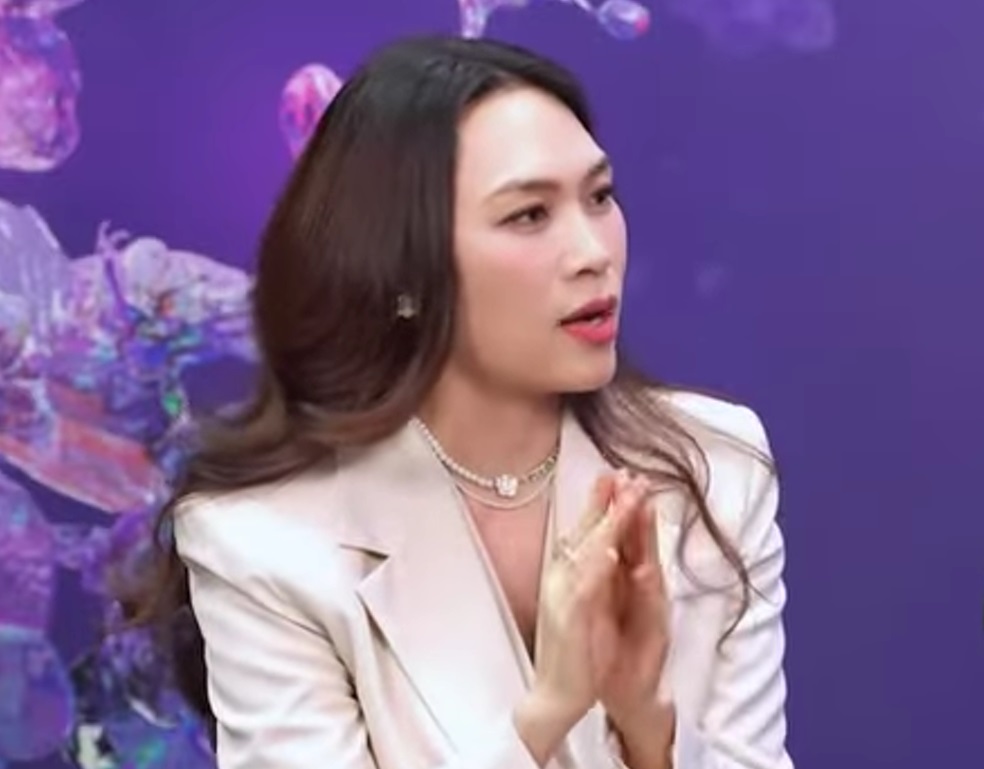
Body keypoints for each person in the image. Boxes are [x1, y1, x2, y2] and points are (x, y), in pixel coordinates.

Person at [128, 34, 793, 769]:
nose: (594, 252)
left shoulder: (715, 469)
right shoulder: (262, 541)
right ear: (401, 268)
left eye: (599, 197)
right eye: (529, 215)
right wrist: (544, 715)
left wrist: (649, 730)